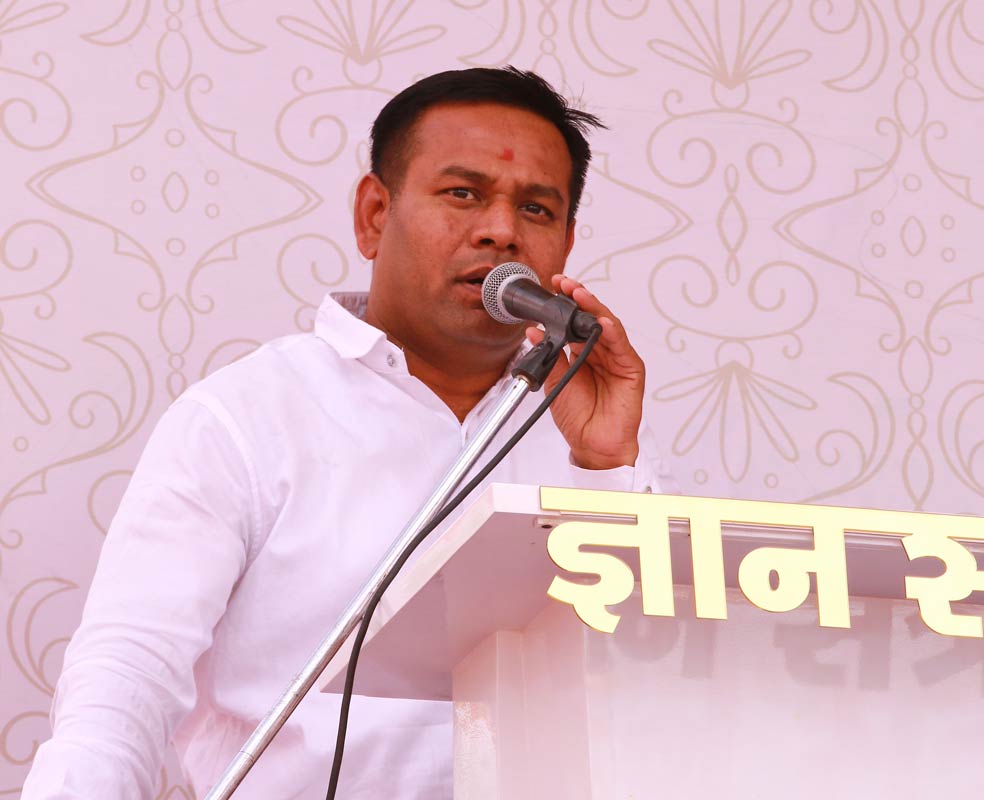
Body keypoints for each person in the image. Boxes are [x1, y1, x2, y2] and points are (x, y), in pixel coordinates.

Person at [23, 67, 672, 799]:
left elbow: (660, 688)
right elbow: (127, 677)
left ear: (566, 243)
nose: (501, 230)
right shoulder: (244, 417)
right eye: (463, 194)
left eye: (536, 208)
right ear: (373, 214)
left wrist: (606, 467)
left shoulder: (596, 437)